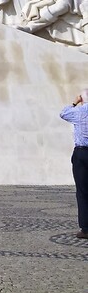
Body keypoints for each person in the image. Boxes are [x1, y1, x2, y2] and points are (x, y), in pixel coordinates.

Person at [60, 90, 88, 239]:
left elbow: (63, 113)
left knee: (82, 191)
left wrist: (75, 102)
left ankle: (86, 228)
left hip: (82, 153)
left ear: (82, 99)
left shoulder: (78, 112)